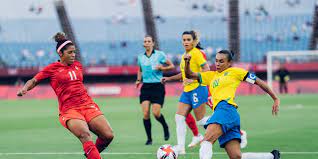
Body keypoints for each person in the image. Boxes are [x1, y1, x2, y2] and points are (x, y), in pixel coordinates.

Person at [16, 32, 113, 159]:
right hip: (69, 110)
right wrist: (25, 88)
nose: (73, 55)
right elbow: (34, 80)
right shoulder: (52, 68)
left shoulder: (78, 65)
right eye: (70, 52)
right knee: (85, 135)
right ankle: (91, 153)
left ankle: (89, 153)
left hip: (88, 105)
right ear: (60, 53)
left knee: (108, 135)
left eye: (74, 52)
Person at [184, 50, 280, 159]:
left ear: (229, 63)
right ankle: (271, 156)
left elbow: (258, 82)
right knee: (236, 157)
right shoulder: (211, 76)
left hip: (226, 109)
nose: (217, 64)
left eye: (221, 61)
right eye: (216, 61)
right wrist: (187, 62)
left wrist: (275, 98)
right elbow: (189, 74)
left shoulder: (236, 72)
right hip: (227, 114)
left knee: (207, 140)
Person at [161, 30, 210, 154]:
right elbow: (183, 75)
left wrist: (194, 78)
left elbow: (207, 69)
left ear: (194, 41)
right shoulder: (185, 56)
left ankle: (226, 125)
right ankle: (180, 148)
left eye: (188, 40)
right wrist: (169, 78)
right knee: (179, 117)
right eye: (184, 40)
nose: (186, 42)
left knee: (200, 121)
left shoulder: (197, 53)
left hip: (197, 89)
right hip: (187, 91)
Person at [136, 35, 174, 145]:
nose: (147, 43)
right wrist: (138, 80)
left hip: (158, 86)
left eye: (149, 41)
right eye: (145, 41)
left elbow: (171, 66)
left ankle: (165, 126)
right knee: (146, 113)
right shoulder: (140, 57)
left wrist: (162, 68)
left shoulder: (160, 55)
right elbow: (139, 69)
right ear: (143, 44)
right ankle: (149, 139)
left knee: (156, 113)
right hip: (146, 87)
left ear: (153, 43)